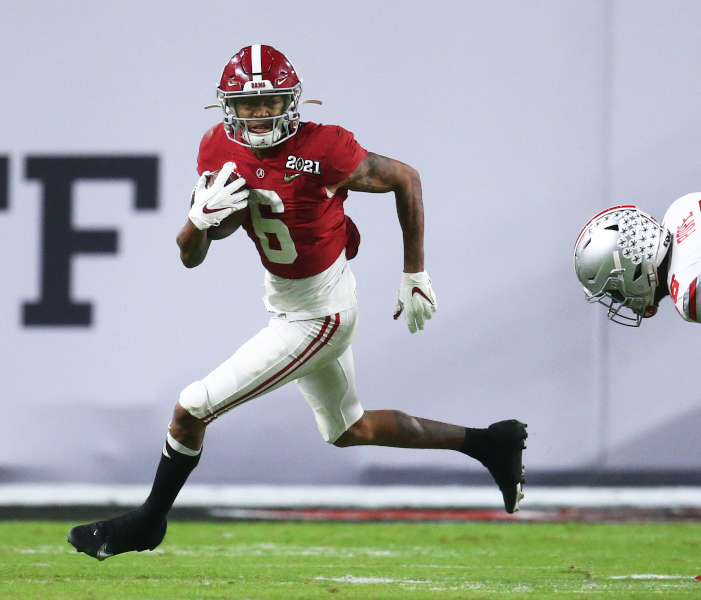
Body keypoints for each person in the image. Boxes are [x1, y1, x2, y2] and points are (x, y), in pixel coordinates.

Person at [68, 44, 528, 561]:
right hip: (287, 302)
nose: (260, 113)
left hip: (321, 315)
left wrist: (414, 270)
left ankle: (148, 521)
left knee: (191, 407)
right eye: (249, 103)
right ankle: (490, 443)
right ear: (228, 107)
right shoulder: (217, 149)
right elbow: (191, 256)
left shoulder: (324, 149)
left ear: (292, 102)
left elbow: (406, 177)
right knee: (349, 429)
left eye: (271, 101)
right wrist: (196, 222)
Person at [574, 194, 701, 325]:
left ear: (632, 270)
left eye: (614, 292)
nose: (619, 301)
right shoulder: (680, 209)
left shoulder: (689, 294)